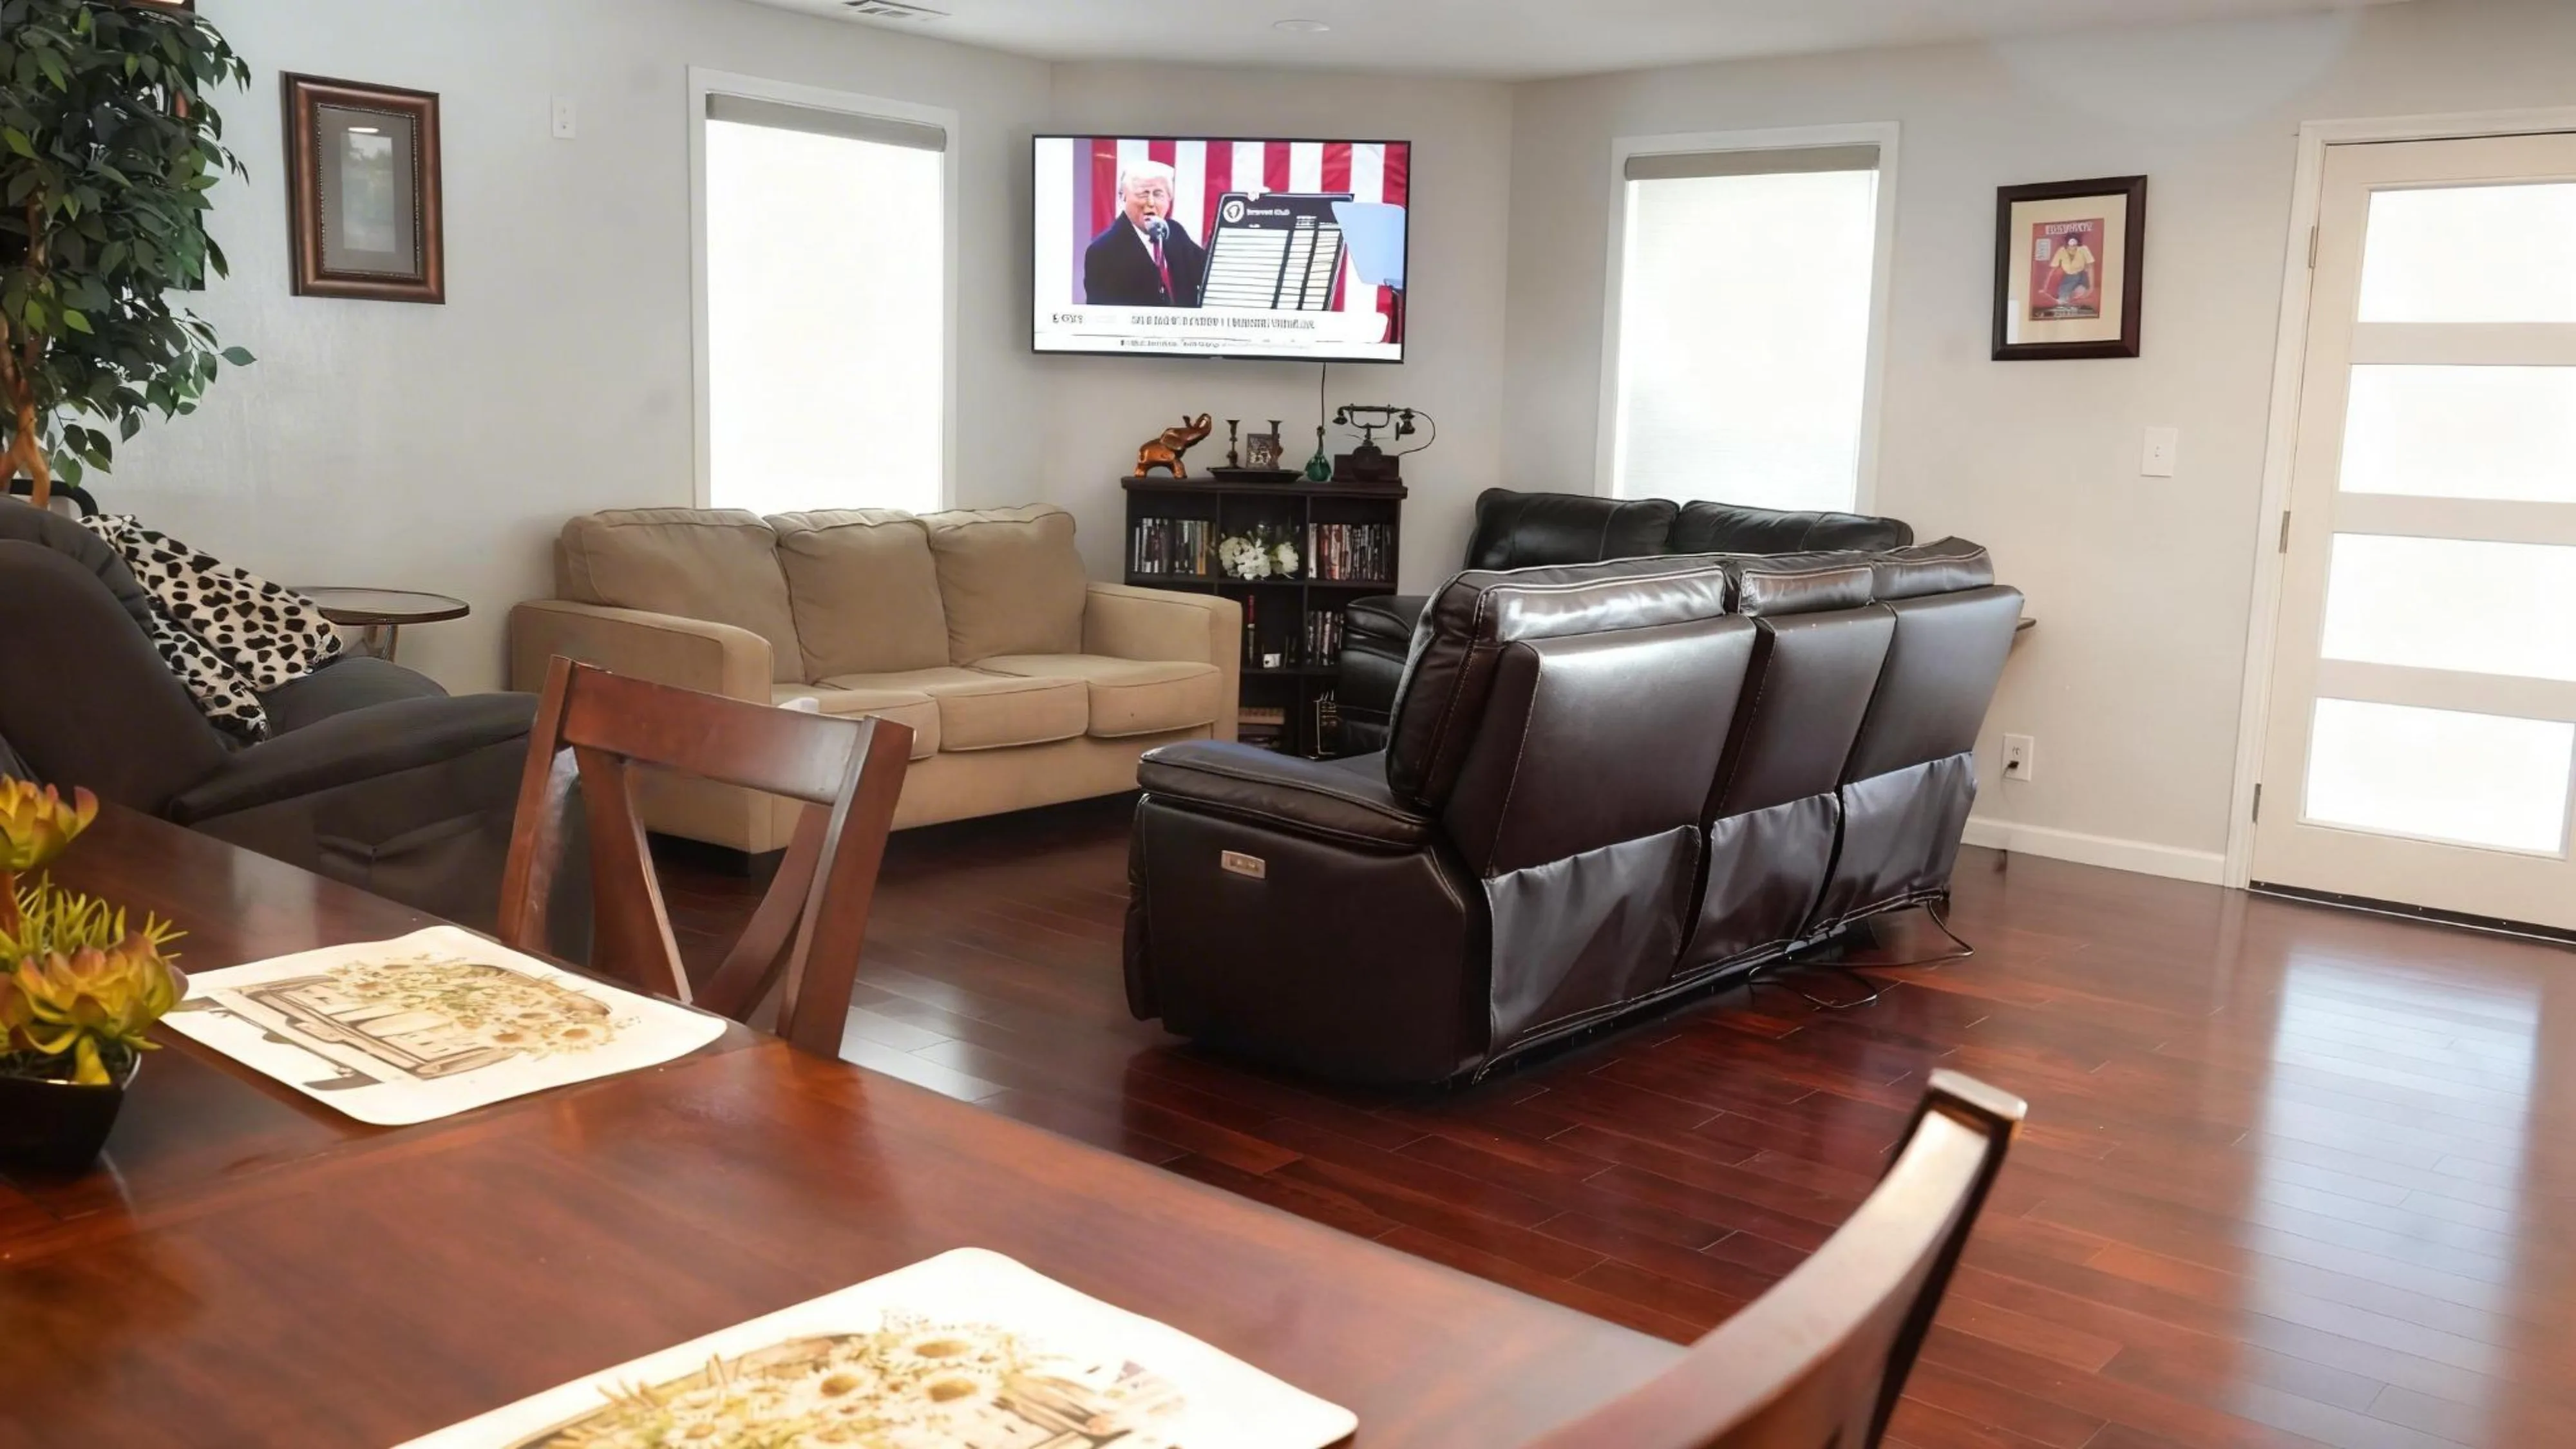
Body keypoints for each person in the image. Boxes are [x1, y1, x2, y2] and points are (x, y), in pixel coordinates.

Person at [1084, 160, 1207, 308]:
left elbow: (1208, 271)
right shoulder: (1102, 252)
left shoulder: (1175, 232)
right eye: (1143, 194)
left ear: (1169, 200)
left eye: (1158, 194)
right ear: (1123, 197)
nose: (1150, 203)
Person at [2048, 229, 2097, 311]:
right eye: (2071, 244)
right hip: (2069, 277)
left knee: (2079, 293)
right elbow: (2053, 268)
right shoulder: (2061, 251)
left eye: (2075, 245)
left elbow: (2091, 267)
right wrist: (2046, 288)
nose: (2073, 247)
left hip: (2082, 276)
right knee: (2062, 297)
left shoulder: (2084, 249)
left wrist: (2091, 288)